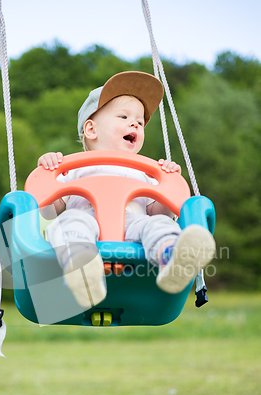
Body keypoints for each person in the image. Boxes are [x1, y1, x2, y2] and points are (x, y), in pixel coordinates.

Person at [38, 71, 215, 308]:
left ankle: (173, 257)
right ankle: (82, 269)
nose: (134, 123)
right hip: (86, 224)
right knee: (67, 223)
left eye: (140, 122)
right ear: (91, 129)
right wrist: (49, 171)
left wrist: (169, 180)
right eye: (123, 116)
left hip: (133, 228)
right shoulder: (72, 169)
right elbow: (51, 211)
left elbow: (158, 212)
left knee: (160, 225)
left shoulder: (146, 172)